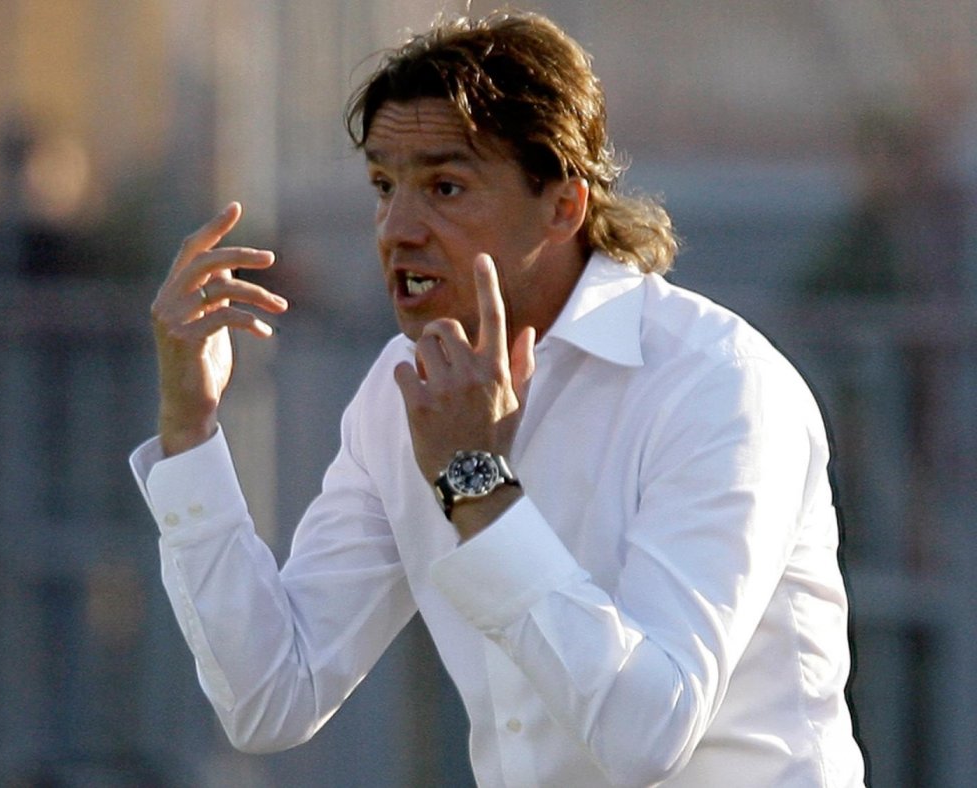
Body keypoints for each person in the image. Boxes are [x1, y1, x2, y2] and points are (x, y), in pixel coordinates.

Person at [130, 9, 865, 786]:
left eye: (445, 187)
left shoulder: (716, 383)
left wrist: (473, 483)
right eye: (384, 185)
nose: (397, 229)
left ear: (564, 205)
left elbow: (648, 734)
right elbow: (272, 698)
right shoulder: (402, 388)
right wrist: (189, 429)